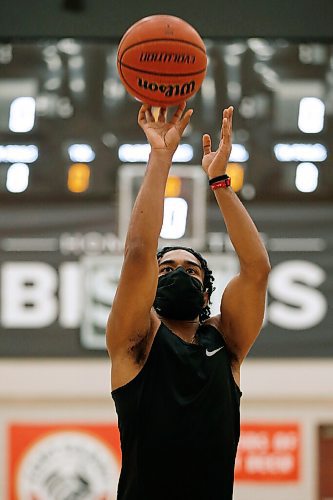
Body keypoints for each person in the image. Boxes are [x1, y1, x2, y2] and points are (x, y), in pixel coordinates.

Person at [106, 102, 271, 500]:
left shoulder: (226, 343)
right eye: (166, 269)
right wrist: (161, 157)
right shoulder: (136, 342)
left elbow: (257, 269)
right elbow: (139, 252)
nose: (178, 272)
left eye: (191, 269)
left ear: (207, 293)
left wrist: (220, 183)